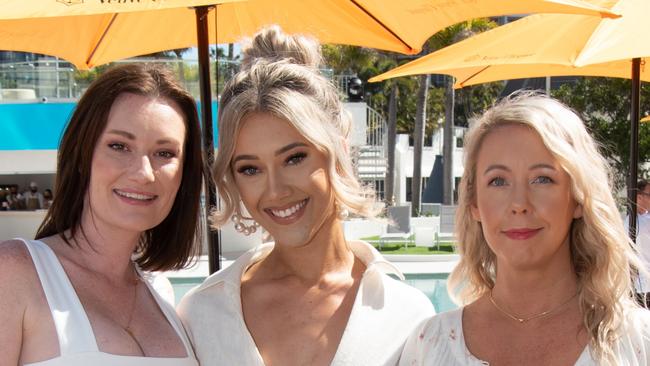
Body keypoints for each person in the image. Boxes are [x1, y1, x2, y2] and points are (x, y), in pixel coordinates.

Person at [178, 26, 434, 366]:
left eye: (294, 158)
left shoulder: (408, 315)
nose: (276, 191)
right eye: (250, 169)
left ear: (339, 151)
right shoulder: (203, 313)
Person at [399, 93, 650, 366]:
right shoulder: (430, 346)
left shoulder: (638, 341)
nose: (519, 204)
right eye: (498, 181)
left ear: (578, 198)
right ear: (474, 203)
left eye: (542, 179)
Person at [0, 63, 203, 365]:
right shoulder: (14, 272)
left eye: (164, 153)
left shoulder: (160, 291)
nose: (144, 173)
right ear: (83, 155)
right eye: (119, 146)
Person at [627, 180, 650, 307]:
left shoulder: (629, 221)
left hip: (638, 286)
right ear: (639, 197)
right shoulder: (642, 222)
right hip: (645, 286)